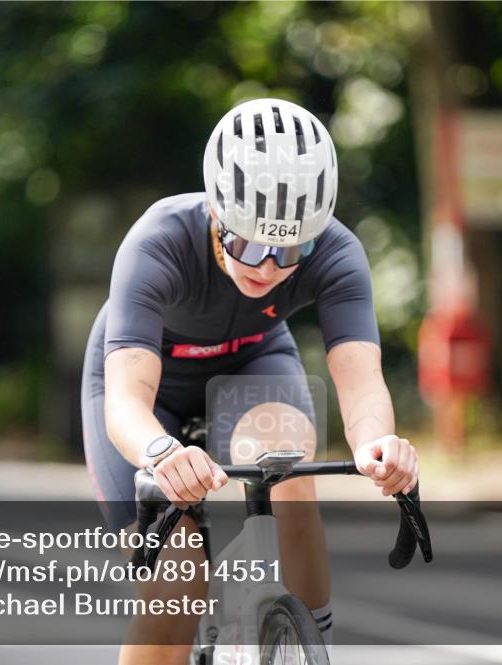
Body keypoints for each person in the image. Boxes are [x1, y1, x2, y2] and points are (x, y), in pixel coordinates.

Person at [80, 98, 419, 665]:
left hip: (252, 361)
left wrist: (378, 445)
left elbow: (361, 383)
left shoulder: (337, 252)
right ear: (215, 212)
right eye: (248, 244)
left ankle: (308, 642)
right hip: (146, 395)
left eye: (290, 249)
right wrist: (162, 451)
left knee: (288, 463)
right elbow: (126, 401)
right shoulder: (157, 240)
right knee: (178, 584)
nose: (266, 267)